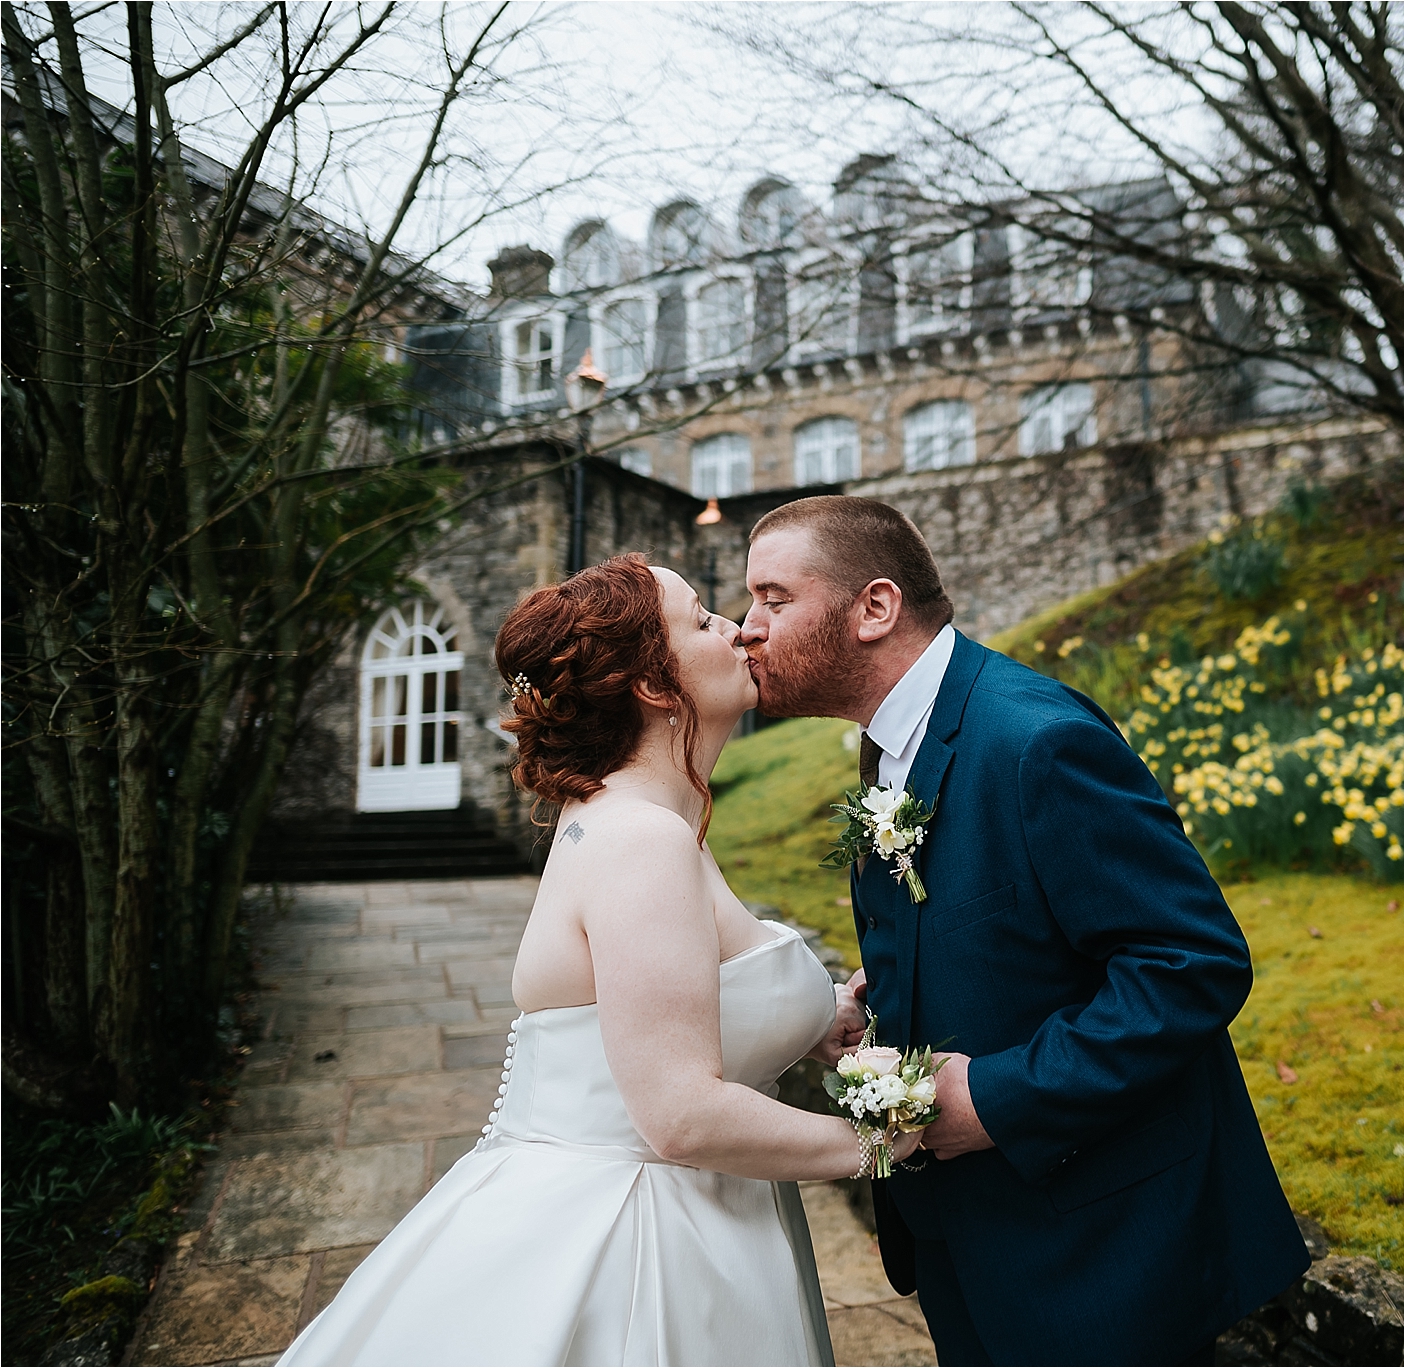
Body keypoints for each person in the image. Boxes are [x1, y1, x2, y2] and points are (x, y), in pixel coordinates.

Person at [278, 555, 906, 1367]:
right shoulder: (640, 840)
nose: (739, 627)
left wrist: (822, 1014)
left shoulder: (636, 819)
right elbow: (680, 1113)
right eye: (703, 620)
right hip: (638, 1241)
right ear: (653, 685)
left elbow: (674, 1004)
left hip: (693, 1209)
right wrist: (890, 1141)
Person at [740, 497, 1308, 1366]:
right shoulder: (894, 742)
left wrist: (995, 1098)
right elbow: (1002, 919)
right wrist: (889, 994)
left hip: (1099, 1256)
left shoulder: (1037, 742)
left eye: (773, 599)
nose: (749, 630)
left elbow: (1188, 964)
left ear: (875, 608)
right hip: (971, 1235)